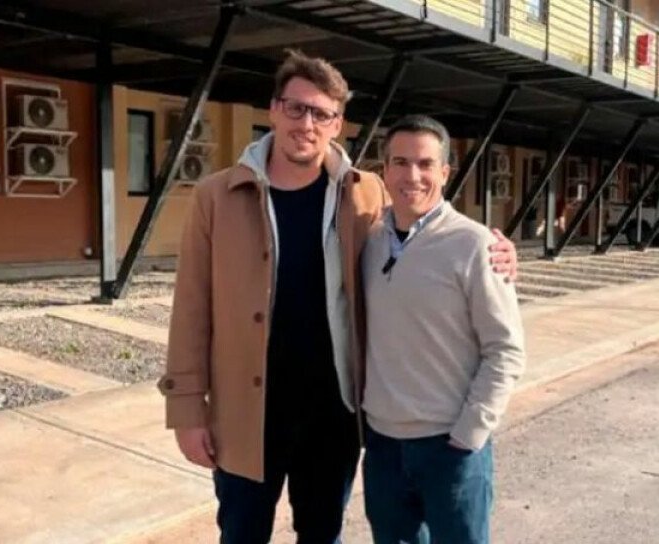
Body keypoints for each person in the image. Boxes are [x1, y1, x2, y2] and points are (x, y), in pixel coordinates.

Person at [158, 51, 519, 543]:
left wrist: (499, 254)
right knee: (241, 534)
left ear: (337, 124)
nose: (306, 124)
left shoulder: (366, 192)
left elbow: (424, 225)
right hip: (246, 413)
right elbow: (191, 309)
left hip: (334, 416)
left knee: (323, 535)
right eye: (296, 108)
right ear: (274, 110)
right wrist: (186, 410)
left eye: (321, 113)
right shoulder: (217, 196)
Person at [361, 115, 526, 544]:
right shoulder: (367, 240)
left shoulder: (475, 244)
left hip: (450, 448)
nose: (412, 176)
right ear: (385, 170)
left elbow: (505, 349)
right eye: (400, 162)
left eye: (425, 164)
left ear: (445, 172)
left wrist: (470, 433)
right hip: (382, 448)